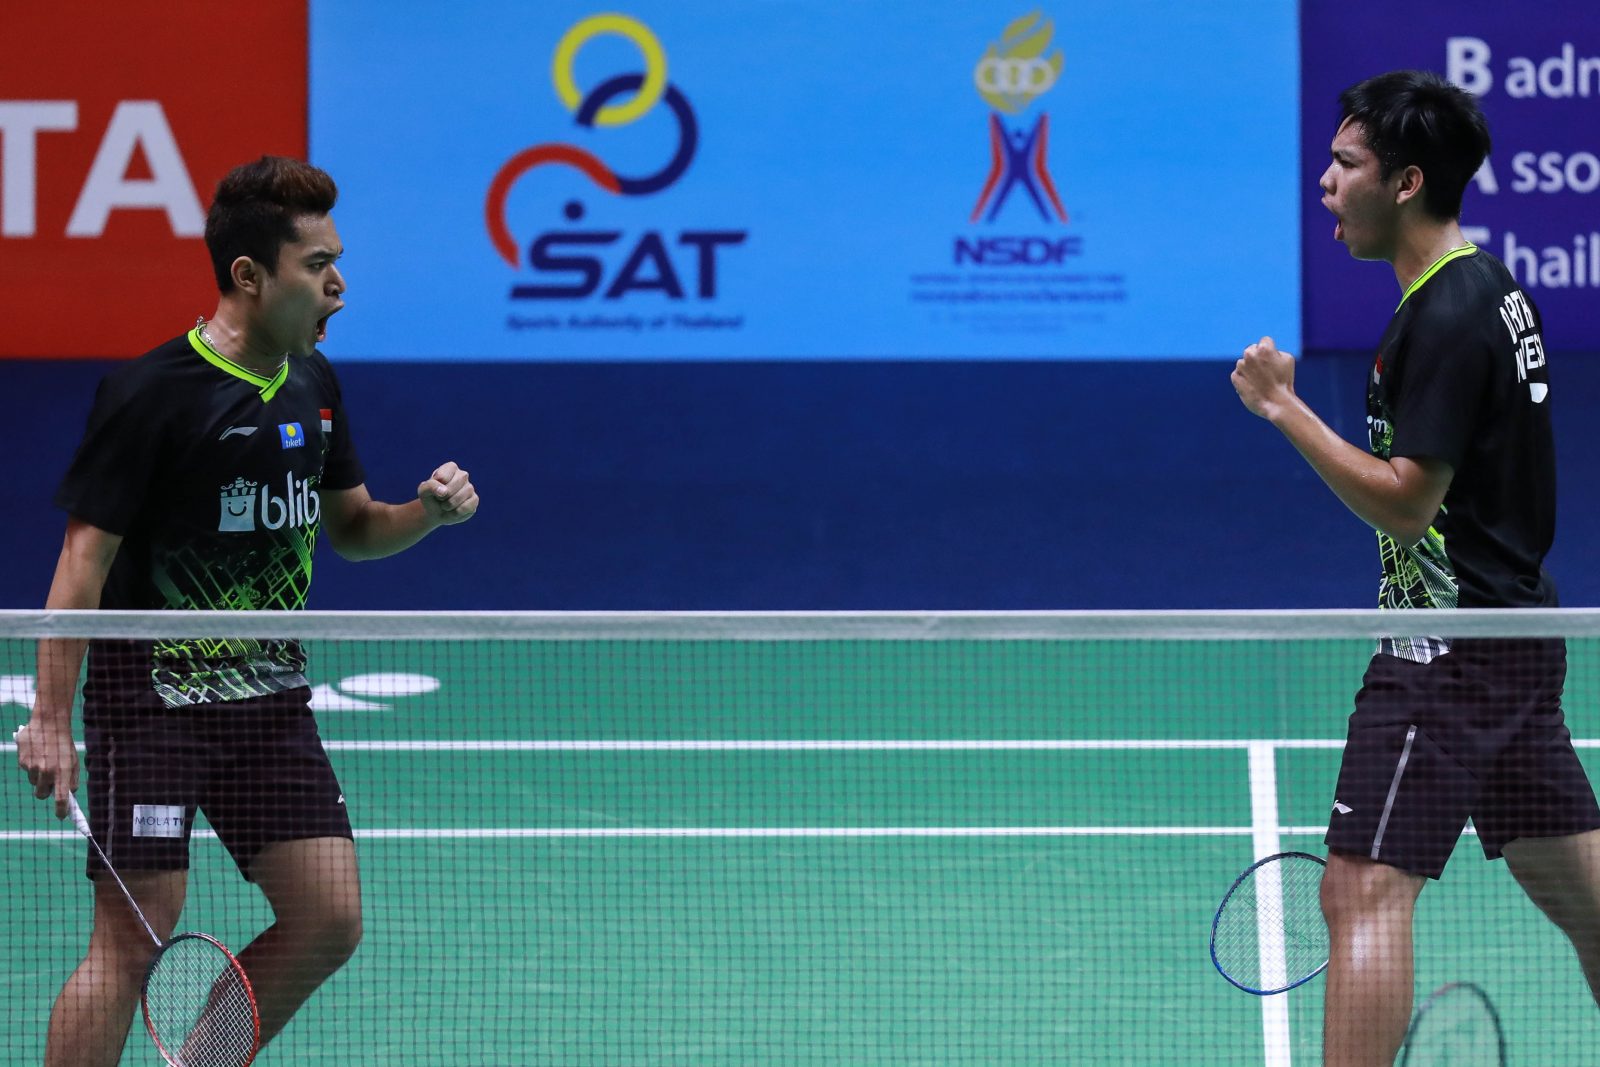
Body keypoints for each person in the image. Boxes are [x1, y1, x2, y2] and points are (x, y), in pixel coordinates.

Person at [15, 155, 479, 1065]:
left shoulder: (315, 384)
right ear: (249, 275)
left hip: (268, 702)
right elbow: (81, 562)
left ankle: (202, 1061)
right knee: (133, 936)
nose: (339, 283)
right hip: (154, 702)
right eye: (318, 264)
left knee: (328, 914)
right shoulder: (152, 394)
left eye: (338, 260)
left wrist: (425, 514)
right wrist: (51, 715)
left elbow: (354, 529)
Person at [1232, 69, 1600, 1065]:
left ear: (1405, 183)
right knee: (1577, 888)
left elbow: (1406, 500)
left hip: (1445, 653)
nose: (1324, 181)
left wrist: (1284, 408)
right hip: (1514, 636)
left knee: (1360, 886)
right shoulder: (1493, 288)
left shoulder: (1443, 315)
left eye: (1345, 163)